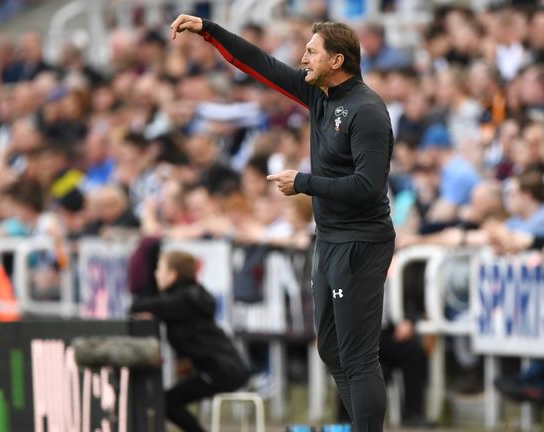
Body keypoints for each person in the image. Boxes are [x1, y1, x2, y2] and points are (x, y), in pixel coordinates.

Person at [170, 14, 396, 430]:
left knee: (358, 356)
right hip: (329, 239)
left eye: (311, 51)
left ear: (337, 60)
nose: (302, 57)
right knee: (331, 350)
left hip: (361, 242)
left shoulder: (367, 111)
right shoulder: (320, 96)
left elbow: (368, 186)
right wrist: (208, 30)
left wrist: (304, 183)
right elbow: (260, 63)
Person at [129, 250, 249, 432]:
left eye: (160, 269)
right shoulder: (188, 295)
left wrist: (150, 311)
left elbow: (139, 305)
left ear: (173, 274)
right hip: (220, 368)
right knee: (166, 400)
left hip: (222, 371)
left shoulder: (183, 300)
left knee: (165, 402)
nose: (156, 274)